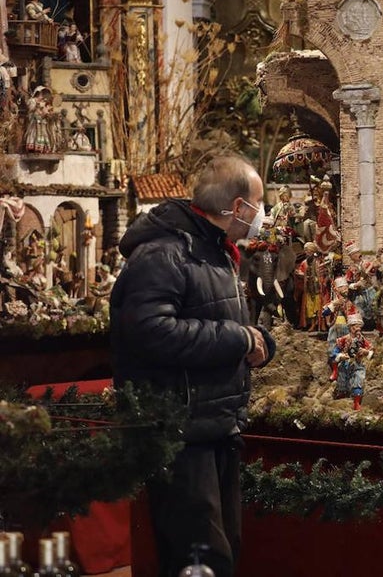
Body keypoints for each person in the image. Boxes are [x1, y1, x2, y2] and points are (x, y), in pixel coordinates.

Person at [109, 155, 276, 577]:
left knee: (222, 553)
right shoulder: (165, 253)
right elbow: (149, 331)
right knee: (200, 558)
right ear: (238, 207)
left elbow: (221, 318)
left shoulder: (215, 251)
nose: (263, 214)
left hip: (215, 424)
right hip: (180, 432)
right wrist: (237, 340)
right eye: (259, 202)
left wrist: (260, 343)